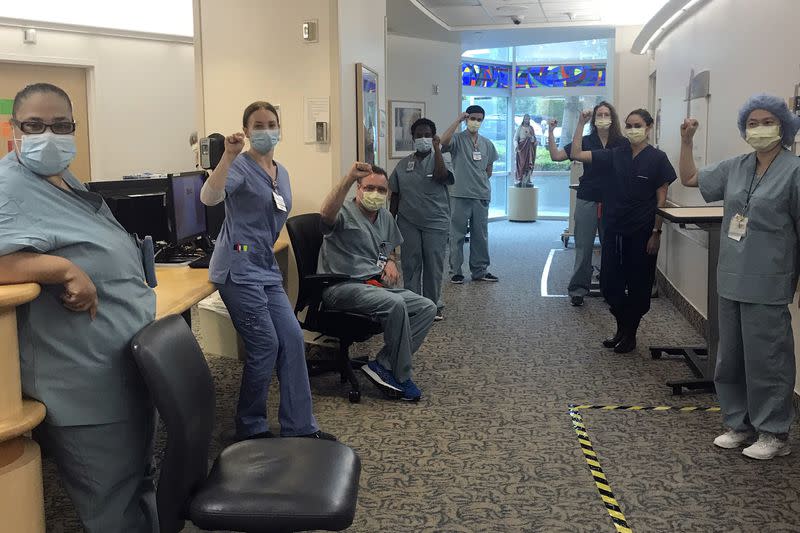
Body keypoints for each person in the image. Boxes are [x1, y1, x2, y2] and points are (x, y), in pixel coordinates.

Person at [0, 83, 158, 532]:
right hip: (83, 382)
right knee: (113, 502)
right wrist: (60, 269)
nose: (48, 135)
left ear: (74, 128)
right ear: (16, 129)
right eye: (34, 125)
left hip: (119, 363)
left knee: (136, 481)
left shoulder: (63, 178)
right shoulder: (8, 187)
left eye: (60, 125)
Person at [200, 101, 333, 441]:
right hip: (236, 269)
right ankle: (251, 427)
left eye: (270, 123)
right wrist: (227, 156)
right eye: (257, 125)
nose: (264, 130)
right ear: (246, 131)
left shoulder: (281, 171)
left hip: (264, 267)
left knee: (291, 339)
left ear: (279, 129)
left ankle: (301, 426)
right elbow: (209, 197)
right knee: (265, 346)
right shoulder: (240, 167)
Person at [678, 94, 800, 460]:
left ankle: (774, 432)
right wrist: (686, 142)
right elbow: (689, 178)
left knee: (768, 358)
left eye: (767, 122)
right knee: (730, 357)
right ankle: (738, 423)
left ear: (784, 126)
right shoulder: (736, 166)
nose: (759, 129)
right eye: (752, 123)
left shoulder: (795, 171)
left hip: (769, 279)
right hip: (731, 276)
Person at [318, 162, 436, 401]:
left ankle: (383, 363)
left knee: (427, 307)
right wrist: (348, 177)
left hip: (372, 286)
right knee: (395, 304)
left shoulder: (384, 217)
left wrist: (390, 261)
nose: (376, 194)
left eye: (381, 190)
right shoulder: (343, 212)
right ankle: (401, 377)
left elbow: (387, 248)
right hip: (341, 286)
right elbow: (325, 215)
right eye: (369, 187)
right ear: (358, 189)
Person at [570, 108, 676, 353]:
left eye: (637, 125)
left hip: (642, 232)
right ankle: (622, 326)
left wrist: (656, 232)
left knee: (639, 284)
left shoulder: (658, 158)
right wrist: (581, 123)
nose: (632, 130)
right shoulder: (615, 154)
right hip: (614, 229)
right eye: (628, 125)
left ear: (648, 128)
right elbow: (576, 153)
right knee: (609, 283)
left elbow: (662, 197)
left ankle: (630, 333)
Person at [548, 101, 627, 307]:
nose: (602, 118)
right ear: (593, 120)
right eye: (599, 115)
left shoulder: (621, 143)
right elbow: (556, 156)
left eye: (606, 114)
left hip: (613, 200)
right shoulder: (585, 140)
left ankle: (609, 289)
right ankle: (578, 289)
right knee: (583, 247)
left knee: (611, 247)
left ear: (612, 118)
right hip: (587, 198)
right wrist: (552, 130)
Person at [389, 118, 453, 321]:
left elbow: (442, 177)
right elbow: (396, 194)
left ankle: (434, 304)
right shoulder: (403, 164)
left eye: (428, 135)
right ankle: (413, 303)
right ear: (413, 138)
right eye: (419, 135)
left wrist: (437, 149)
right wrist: (390, 221)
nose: (423, 138)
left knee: (434, 265)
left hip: (435, 221)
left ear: (433, 137)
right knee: (410, 264)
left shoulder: (442, 159)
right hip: (408, 222)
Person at [441, 105, 500, 284]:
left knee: (480, 235)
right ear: (467, 119)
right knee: (456, 235)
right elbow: (443, 142)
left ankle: (480, 270)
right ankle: (455, 271)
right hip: (460, 194)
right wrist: (457, 120)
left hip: (481, 195)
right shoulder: (457, 139)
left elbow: (489, 170)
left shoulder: (487, 144)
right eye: (472, 118)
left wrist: (478, 181)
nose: (475, 122)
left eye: (479, 119)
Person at [514, 114, 537, 186]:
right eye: (525, 119)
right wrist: (516, 145)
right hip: (522, 149)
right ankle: (520, 179)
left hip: (529, 149)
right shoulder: (520, 128)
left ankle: (528, 179)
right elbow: (515, 138)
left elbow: (534, 140)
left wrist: (531, 138)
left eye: (528, 119)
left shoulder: (531, 128)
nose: (527, 120)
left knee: (529, 163)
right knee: (521, 164)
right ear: (523, 119)